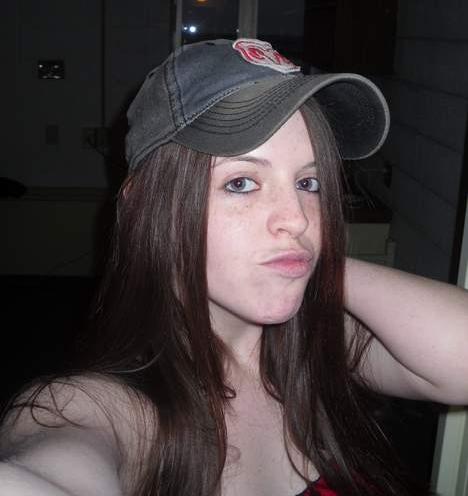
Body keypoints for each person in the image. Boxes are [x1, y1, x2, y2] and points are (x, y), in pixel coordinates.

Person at [0, 38, 467, 496]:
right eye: (241, 182)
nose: (298, 219)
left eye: (308, 183)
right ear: (146, 206)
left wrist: (318, 265)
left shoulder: (320, 347)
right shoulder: (98, 410)